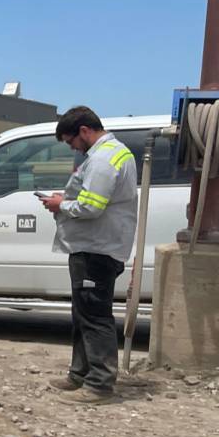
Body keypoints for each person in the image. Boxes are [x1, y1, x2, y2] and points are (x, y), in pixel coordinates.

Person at [38, 106, 139, 403]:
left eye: (72, 142)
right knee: (82, 312)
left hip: (98, 249)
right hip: (93, 247)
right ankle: (79, 374)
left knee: (94, 315)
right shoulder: (107, 155)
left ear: (84, 131)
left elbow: (91, 207)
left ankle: (99, 384)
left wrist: (61, 205)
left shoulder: (104, 159)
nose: (72, 148)